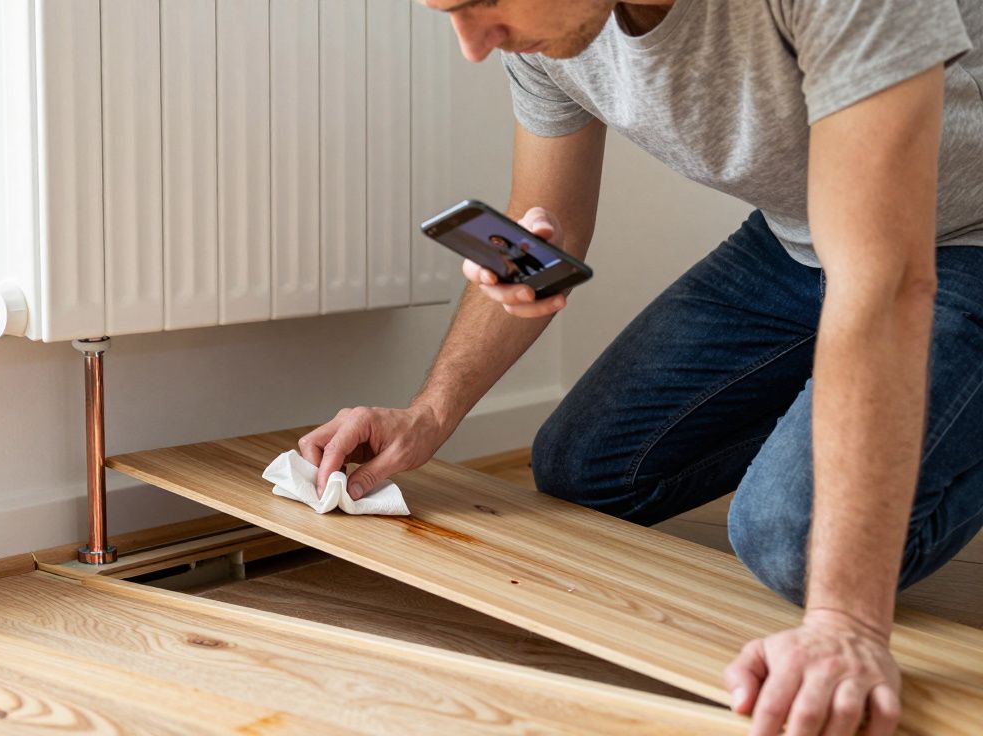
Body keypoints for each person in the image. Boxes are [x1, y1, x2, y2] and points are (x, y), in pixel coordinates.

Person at [297, 2, 983, 734]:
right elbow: (547, 215)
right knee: (582, 468)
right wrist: (427, 413)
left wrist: (845, 622)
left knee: (795, 540)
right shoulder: (543, 31)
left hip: (959, 241)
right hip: (805, 237)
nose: (472, 43)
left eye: (482, 0)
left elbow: (886, 283)